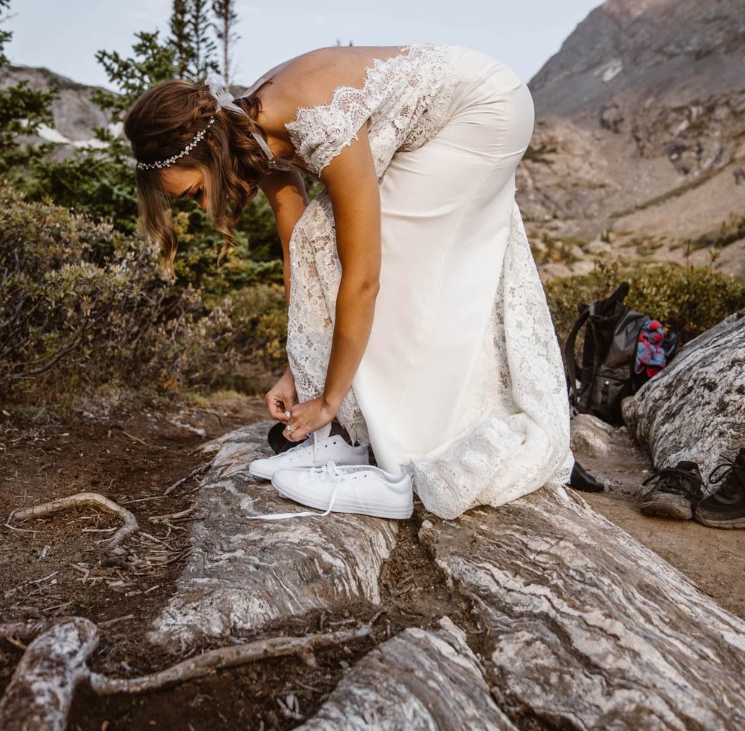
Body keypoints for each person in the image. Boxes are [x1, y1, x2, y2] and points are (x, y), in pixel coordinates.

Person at [124, 44, 581, 521]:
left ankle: (403, 468)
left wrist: (329, 399)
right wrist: (298, 371)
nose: (203, 206)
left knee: (393, 262)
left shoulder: (312, 115)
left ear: (209, 152)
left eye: (196, 190)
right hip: (442, 123)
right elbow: (300, 262)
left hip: (481, 112)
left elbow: (363, 280)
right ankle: (352, 440)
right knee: (315, 240)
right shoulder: (245, 134)